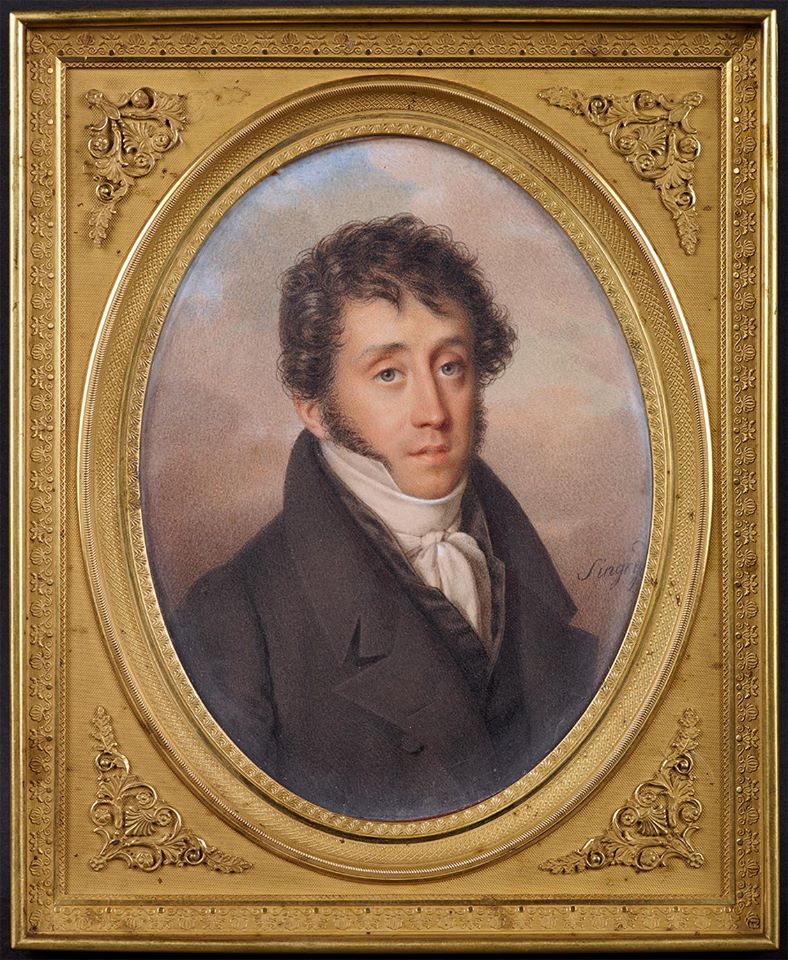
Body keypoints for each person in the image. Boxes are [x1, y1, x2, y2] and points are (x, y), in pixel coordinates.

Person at [171, 214, 598, 821]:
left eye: (449, 366)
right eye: (389, 374)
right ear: (314, 408)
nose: (433, 411)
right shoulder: (236, 618)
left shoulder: (527, 580)